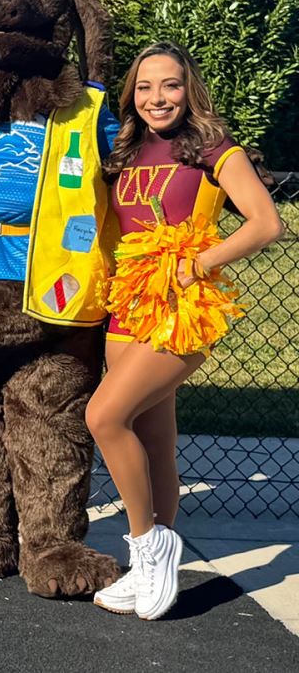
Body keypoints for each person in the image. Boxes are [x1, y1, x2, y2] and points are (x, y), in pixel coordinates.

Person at [87, 43, 283, 619]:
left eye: (170, 85)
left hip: (183, 304)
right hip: (128, 300)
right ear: (132, 95)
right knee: (153, 438)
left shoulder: (215, 147)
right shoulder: (123, 149)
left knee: (103, 417)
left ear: (188, 88)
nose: (157, 98)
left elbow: (266, 223)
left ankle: (148, 545)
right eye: (145, 87)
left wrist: (200, 263)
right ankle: (155, 557)